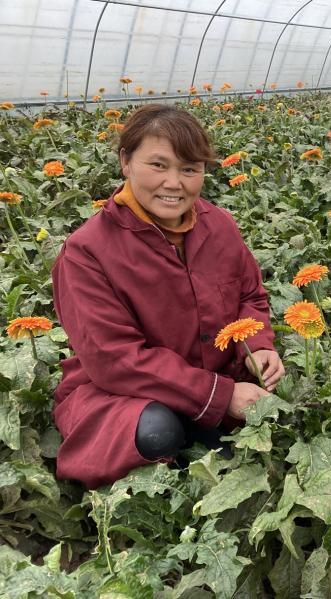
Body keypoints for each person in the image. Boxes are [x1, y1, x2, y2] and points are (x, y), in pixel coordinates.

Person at [51, 104, 284, 488]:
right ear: (126, 162)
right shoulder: (86, 251)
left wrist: (258, 345)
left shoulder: (219, 225)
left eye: (190, 169)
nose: (175, 183)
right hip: (125, 392)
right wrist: (220, 396)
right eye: (158, 165)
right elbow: (117, 360)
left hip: (219, 375)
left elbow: (251, 296)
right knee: (157, 429)